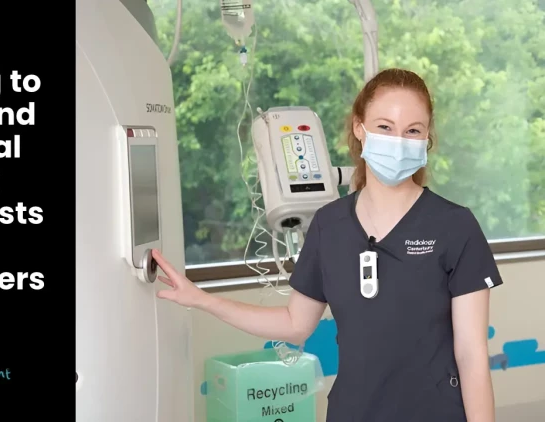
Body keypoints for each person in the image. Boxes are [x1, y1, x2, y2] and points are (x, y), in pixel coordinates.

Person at [151, 68, 502, 422]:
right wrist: (201, 300)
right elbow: (294, 324)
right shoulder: (330, 226)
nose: (399, 140)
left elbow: (471, 354)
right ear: (359, 128)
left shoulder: (455, 226)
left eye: (413, 130)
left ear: (426, 138)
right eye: (385, 127)